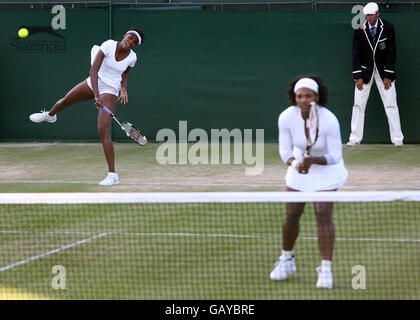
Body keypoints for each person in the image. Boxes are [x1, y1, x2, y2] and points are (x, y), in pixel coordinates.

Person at [29, 28, 144, 185]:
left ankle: (112, 175)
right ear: (124, 35)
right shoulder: (109, 45)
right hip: (94, 80)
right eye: (130, 37)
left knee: (103, 130)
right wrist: (96, 96)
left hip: (110, 88)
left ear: (135, 46)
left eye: (134, 42)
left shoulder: (132, 57)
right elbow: (94, 70)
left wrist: (123, 88)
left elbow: (125, 74)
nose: (130, 42)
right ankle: (49, 116)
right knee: (64, 101)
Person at [271, 75, 348, 289]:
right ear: (294, 97)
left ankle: (325, 269)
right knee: (292, 214)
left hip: (327, 169)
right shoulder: (286, 117)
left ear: (317, 96)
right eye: (299, 96)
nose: (304, 100)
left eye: (308, 96)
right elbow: (285, 150)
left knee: (323, 213)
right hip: (299, 168)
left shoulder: (329, 119)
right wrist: (297, 164)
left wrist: (313, 160)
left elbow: (335, 155)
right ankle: (286, 259)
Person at [347, 2, 404, 147]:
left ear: (378, 14)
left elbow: (392, 52)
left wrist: (388, 75)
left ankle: (397, 139)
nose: (369, 17)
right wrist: (358, 76)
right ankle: (354, 138)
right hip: (365, 73)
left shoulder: (388, 27)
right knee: (358, 105)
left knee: (391, 104)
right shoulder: (360, 29)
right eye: (367, 15)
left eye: (371, 15)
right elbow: (356, 54)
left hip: (384, 72)